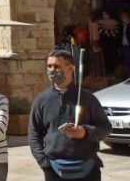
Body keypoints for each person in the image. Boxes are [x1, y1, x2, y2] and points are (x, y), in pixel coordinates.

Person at [30, 49, 111, 181]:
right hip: (54, 170)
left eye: (57, 66)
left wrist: (85, 132)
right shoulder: (41, 100)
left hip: (88, 168)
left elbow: (105, 128)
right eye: (49, 66)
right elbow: (34, 134)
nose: (52, 70)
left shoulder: (87, 98)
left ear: (70, 69)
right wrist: (43, 162)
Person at [96, 10, 121, 74]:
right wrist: (109, 30)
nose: (103, 16)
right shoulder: (101, 22)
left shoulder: (115, 22)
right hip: (105, 43)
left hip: (113, 43)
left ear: (109, 14)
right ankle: (108, 72)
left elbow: (116, 32)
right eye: (103, 14)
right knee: (106, 58)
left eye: (105, 14)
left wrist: (107, 30)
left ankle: (114, 72)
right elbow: (100, 31)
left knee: (114, 57)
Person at [121, 11, 130, 76]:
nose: (123, 18)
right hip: (124, 43)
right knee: (126, 59)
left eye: (124, 16)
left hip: (129, 43)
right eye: (122, 17)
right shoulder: (123, 25)